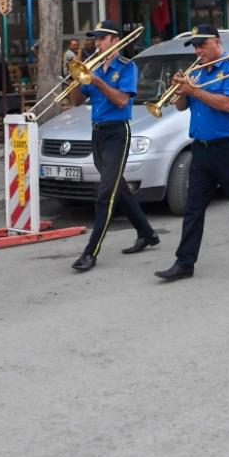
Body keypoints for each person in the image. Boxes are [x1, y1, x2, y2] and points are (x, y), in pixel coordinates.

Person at [154, 26, 229, 281]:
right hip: (201, 147)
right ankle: (185, 262)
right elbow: (181, 106)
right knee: (193, 207)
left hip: (228, 147)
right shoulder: (195, 71)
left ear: (217, 43)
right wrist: (178, 89)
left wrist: (194, 90)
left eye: (202, 45)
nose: (198, 51)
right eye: (195, 46)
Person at [69, 20, 160, 272]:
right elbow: (76, 101)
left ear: (114, 40)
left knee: (105, 193)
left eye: (101, 38)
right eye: (95, 39)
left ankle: (91, 252)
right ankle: (147, 233)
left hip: (118, 132)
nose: (96, 43)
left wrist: (98, 82)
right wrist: (77, 79)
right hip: (97, 133)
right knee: (119, 189)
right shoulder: (94, 67)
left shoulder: (127, 67)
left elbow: (122, 101)